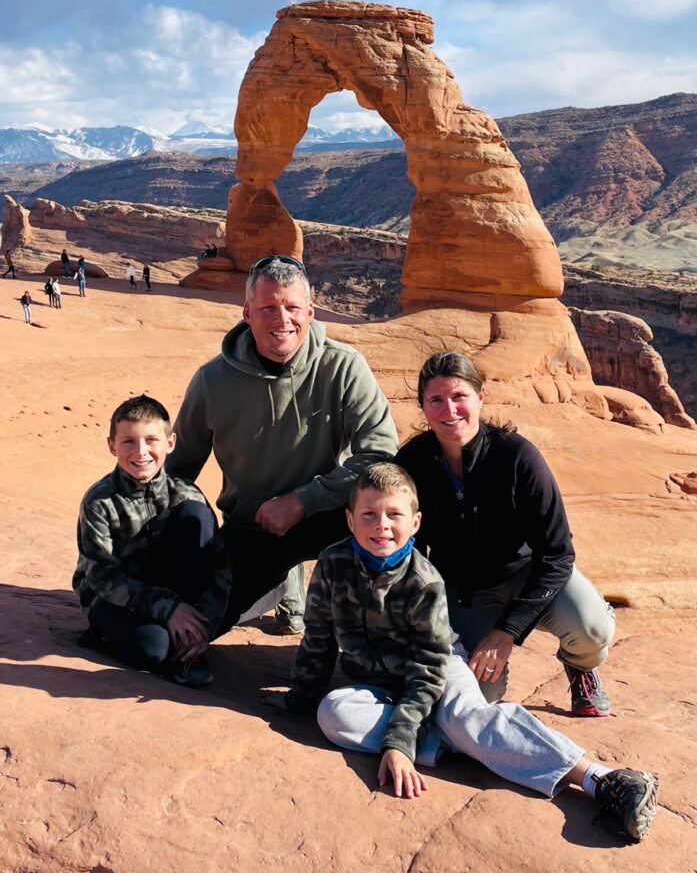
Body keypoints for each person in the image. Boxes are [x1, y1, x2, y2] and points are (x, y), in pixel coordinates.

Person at [263, 463, 658, 843]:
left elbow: (429, 668)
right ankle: (466, 739)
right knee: (333, 713)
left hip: (436, 670)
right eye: (368, 514)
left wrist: (399, 742)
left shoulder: (424, 581)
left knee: (468, 715)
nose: (381, 525)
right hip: (377, 685)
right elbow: (318, 638)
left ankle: (601, 778)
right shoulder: (333, 565)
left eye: (394, 515)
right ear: (349, 520)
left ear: (415, 524)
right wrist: (300, 699)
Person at [167, 254, 398, 633]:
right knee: (194, 629)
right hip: (252, 525)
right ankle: (281, 585)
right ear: (247, 311)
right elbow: (177, 470)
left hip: (329, 517)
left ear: (310, 311)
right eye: (268, 307)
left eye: (292, 307)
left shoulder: (343, 366)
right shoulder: (212, 381)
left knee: (384, 527)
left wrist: (303, 501)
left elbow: (379, 455)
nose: (282, 319)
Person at [395, 352, 616, 717]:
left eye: (459, 397)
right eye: (436, 400)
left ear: (481, 397)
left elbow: (558, 554)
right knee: (478, 695)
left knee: (592, 631)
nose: (449, 410)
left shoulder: (517, 457)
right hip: (465, 590)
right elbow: (407, 547)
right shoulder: (413, 463)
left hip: (528, 577)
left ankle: (580, 666)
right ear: (423, 406)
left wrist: (507, 632)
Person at [73, 394, 231, 687]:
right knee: (154, 649)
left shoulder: (188, 496)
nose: (141, 451)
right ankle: (105, 635)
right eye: (129, 441)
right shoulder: (99, 502)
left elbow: (218, 567)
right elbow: (101, 577)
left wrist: (204, 626)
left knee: (194, 517)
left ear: (170, 443)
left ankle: (190, 646)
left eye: (151, 440)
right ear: (112, 446)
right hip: (113, 598)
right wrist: (168, 608)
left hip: (171, 591)